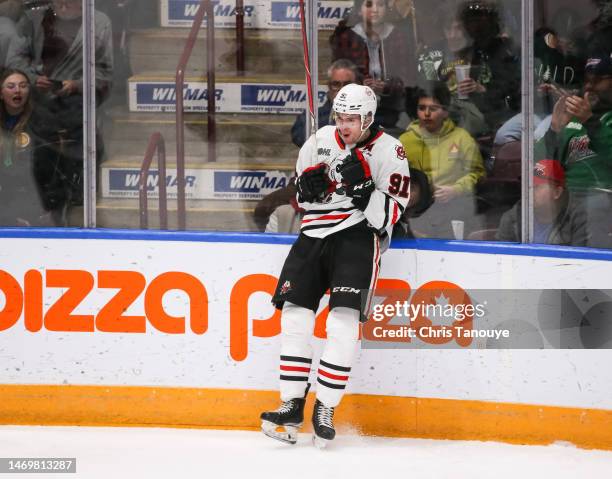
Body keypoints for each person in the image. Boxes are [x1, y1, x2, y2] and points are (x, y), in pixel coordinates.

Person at [260, 84, 410, 447]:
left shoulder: (391, 151)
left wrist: (363, 193)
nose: (344, 126)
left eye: (352, 119)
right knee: (294, 317)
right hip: (312, 237)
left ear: (369, 118)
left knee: (342, 324)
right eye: (340, 118)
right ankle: (291, 404)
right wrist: (305, 192)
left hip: (357, 239)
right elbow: (301, 196)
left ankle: (324, 407)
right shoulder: (319, 139)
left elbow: (390, 213)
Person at [7, 0, 113, 207]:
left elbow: (105, 74)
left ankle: (78, 210)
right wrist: (32, 78)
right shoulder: (33, 19)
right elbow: (14, 60)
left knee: (80, 176)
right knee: (43, 171)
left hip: (79, 111)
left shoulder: (99, 23)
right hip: (39, 111)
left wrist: (76, 85)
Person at [537, 49, 612, 248]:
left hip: (602, 202)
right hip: (567, 203)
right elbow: (541, 164)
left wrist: (591, 121)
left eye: (597, 80)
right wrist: (554, 129)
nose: (589, 87)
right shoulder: (572, 122)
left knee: (595, 205)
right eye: (586, 80)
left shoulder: (597, 119)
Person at [399, 81, 485, 238]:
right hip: (416, 214)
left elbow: (478, 174)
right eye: (422, 108)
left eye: (433, 109)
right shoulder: (405, 141)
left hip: (454, 208)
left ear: (445, 112)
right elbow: (395, 179)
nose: (426, 114)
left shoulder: (461, 138)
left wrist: (456, 189)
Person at [330, 0, 417, 132]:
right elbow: (339, 76)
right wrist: (360, 85)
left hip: (392, 108)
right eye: (369, 5)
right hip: (355, 107)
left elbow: (409, 78)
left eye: (380, 5)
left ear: (387, 9)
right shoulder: (346, 37)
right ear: (360, 10)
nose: (375, 10)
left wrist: (387, 87)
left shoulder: (399, 36)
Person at [496, 159, 589, 246]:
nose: (529, 191)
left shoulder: (577, 218)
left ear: (557, 192)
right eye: (528, 185)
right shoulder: (512, 218)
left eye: (536, 186)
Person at [0, 68, 49, 226]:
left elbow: (46, 171)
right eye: (11, 86)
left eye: (23, 85)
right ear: (1, 93)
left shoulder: (41, 123)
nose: (18, 90)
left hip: (30, 200)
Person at [291, 59, 361, 148]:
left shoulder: (370, 116)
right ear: (329, 86)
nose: (342, 89)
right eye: (336, 84)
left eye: (347, 84)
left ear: (358, 85)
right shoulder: (310, 117)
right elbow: (300, 138)